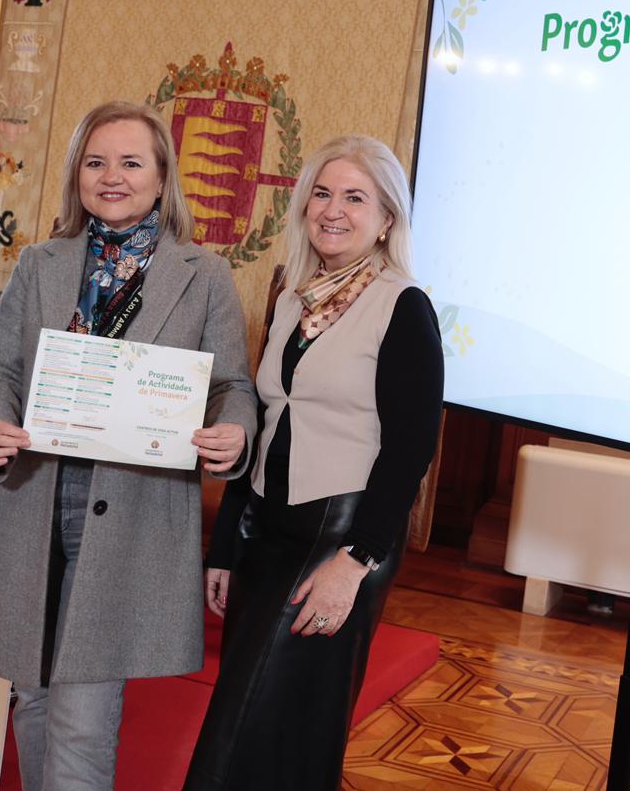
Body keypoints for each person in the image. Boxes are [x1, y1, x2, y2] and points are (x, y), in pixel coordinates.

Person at [0, 100, 256, 791]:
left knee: (83, 715)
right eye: (95, 162)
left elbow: (233, 386)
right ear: (76, 175)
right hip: (32, 503)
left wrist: (234, 431)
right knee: (32, 698)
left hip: (134, 515)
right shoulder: (39, 264)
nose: (112, 176)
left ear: (162, 177)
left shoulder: (204, 275)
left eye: (131, 162)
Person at [185, 135, 444, 791]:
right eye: (322, 194)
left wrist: (355, 563)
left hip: (341, 539)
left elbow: (411, 449)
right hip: (265, 533)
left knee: (248, 726)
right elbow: (266, 419)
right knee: (275, 725)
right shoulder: (293, 299)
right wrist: (225, 546)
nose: (333, 210)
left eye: (355, 198)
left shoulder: (403, 305)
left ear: (386, 219)